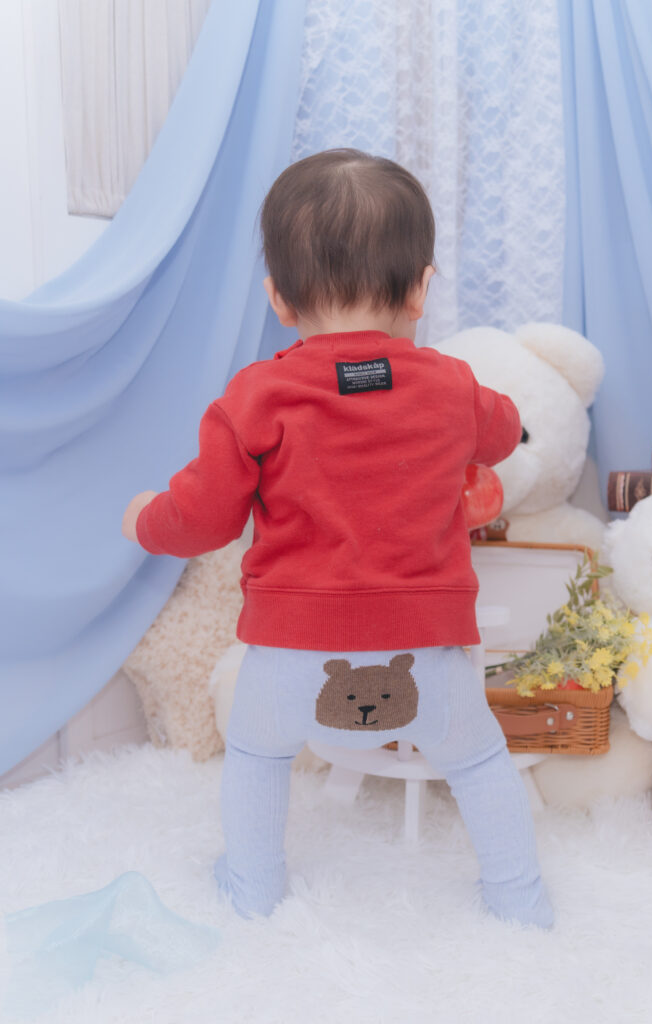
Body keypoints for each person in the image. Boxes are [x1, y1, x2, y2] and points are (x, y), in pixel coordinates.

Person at [122, 148, 553, 928]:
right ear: (421, 289)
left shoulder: (256, 396)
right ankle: (519, 904)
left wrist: (145, 516)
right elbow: (503, 433)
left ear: (277, 299)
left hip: (290, 654)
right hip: (425, 655)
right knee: (480, 762)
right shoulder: (450, 385)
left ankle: (252, 890)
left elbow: (203, 518)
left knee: (256, 758)